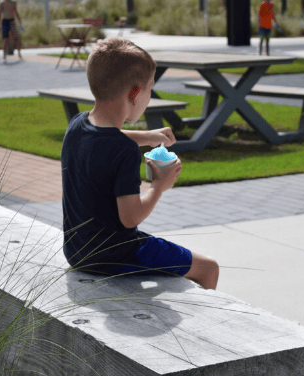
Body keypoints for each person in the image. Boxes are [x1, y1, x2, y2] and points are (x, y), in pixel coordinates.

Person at [60, 37, 219, 290]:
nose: (148, 98)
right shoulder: (124, 151)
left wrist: (148, 136)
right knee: (209, 267)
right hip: (115, 257)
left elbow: (105, 138)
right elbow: (130, 218)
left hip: (78, 251)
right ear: (134, 93)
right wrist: (158, 186)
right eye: (149, 90)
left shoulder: (78, 124)